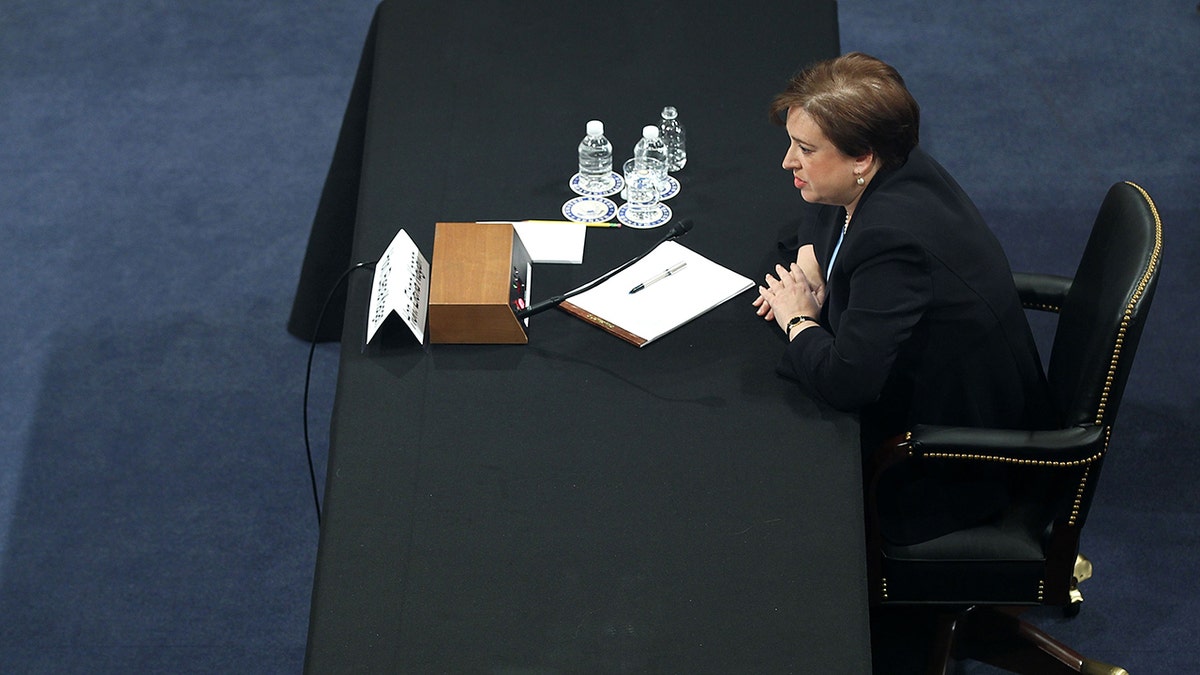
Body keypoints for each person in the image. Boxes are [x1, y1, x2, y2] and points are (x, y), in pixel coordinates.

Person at [753, 52, 1057, 545]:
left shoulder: (892, 241)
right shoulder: (893, 163)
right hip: (964, 399)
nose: (788, 162)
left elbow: (847, 380)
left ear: (861, 157)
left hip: (955, 464)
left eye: (805, 150)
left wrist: (798, 320)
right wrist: (814, 258)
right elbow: (830, 209)